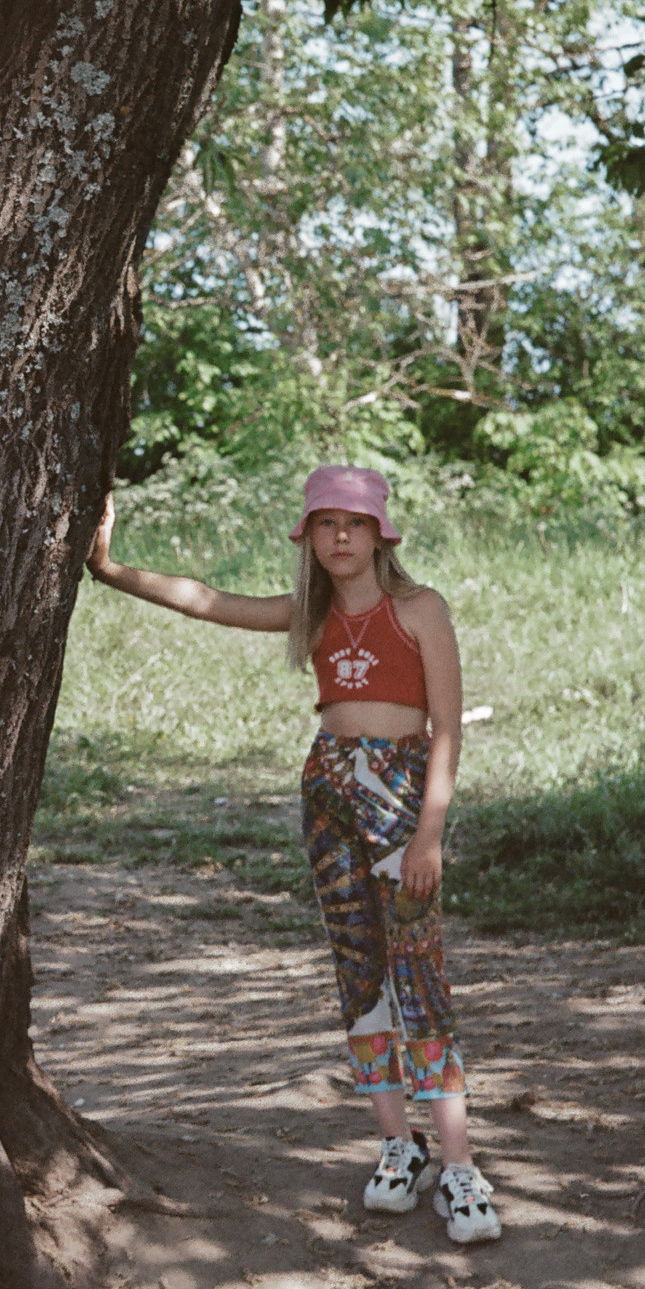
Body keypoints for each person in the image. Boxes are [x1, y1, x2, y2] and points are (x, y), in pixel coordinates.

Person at [87, 466, 502, 1245]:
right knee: (358, 974)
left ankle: (458, 1165)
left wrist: (430, 834)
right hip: (330, 796)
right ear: (308, 539)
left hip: (402, 797)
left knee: (419, 975)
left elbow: (447, 728)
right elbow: (207, 600)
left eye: (353, 523)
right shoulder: (307, 618)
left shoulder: (420, 610)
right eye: (325, 525)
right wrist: (110, 570)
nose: (340, 537)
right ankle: (396, 1147)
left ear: (381, 533)